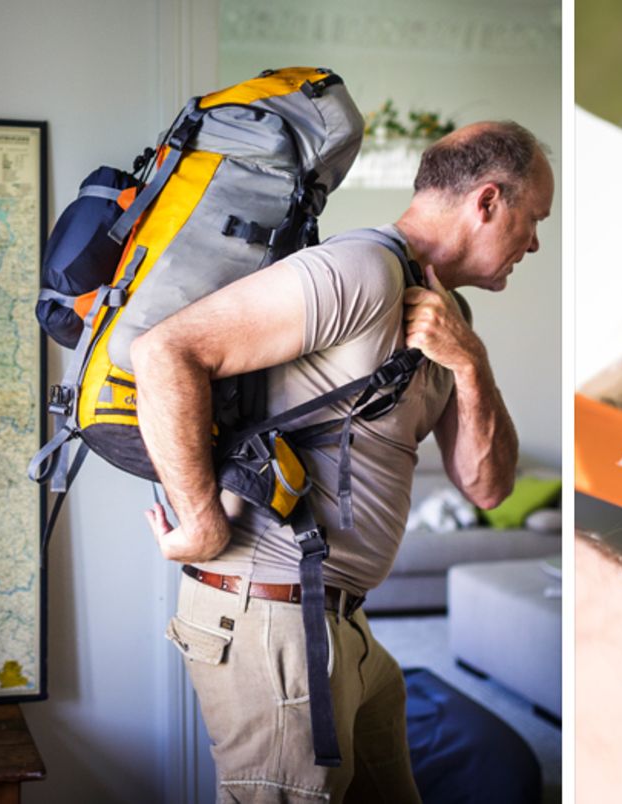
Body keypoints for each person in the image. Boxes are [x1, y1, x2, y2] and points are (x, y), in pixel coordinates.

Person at [129, 120, 554, 802]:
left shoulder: (452, 319)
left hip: (343, 623)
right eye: (533, 220)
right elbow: (164, 352)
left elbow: (488, 487)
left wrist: (471, 364)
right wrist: (202, 523)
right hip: (271, 612)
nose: (533, 243)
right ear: (487, 202)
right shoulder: (361, 272)